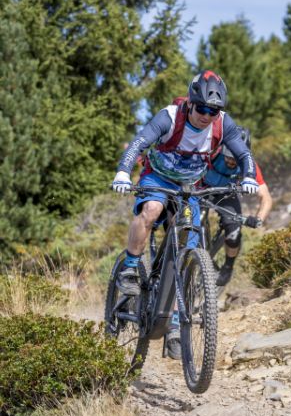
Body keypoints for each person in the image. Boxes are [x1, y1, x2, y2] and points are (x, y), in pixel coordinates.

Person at [111, 70, 258, 358]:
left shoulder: (222, 123)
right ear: (190, 103)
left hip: (189, 187)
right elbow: (139, 143)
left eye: (213, 111)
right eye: (202, 108)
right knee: (152, 210)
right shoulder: (169, 117)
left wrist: (249, 176)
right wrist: (123, 172)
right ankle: (130, 267)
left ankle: (175, 326)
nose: (207, 116)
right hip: (157, 178)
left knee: (188, 249)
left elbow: (243, 154)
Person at [203, 127, 273, 288]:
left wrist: (258, 219)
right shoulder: (210, 152)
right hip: (201, 188)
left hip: (226, 194)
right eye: (228, 157)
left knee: (233, 231)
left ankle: (228, 267)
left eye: (236, 159)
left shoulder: (249, 165)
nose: (231, 162)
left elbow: (266, 197)